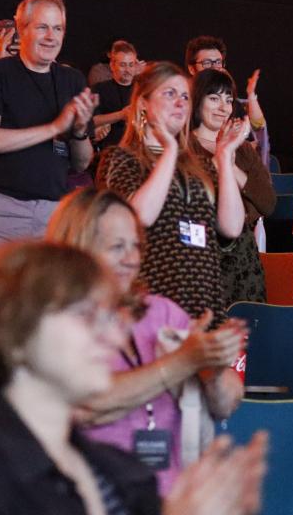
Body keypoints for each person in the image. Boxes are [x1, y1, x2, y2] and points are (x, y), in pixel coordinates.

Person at [0, 241, 267, 515]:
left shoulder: (117, 471)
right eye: (84, 315)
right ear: (14, 335)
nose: (112, 337)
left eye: (109, 318)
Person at [46, 188, 245, 495]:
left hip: (172, 500)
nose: (132, 259)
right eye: (117, 247)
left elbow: (227, 404)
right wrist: (182, 362)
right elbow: (86, 404)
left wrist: (212, 368)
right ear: (78, 249)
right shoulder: (52, 322)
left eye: (136, 246)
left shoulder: (161, 311)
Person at [0, 0, 95, 286]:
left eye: (58, 29)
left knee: (40, 316)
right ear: (21, 29)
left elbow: (82, 164)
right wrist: (55, 126)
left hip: (52, 216)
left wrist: (79, 130)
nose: (51, 36)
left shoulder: (72, 80)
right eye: (42, 27)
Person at [97, 62, 251, 323]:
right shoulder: (122, 158)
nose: (180, 103)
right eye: (169, 94)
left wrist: (224, 157)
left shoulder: (199, 164)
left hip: (203, 298)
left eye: (185, 97)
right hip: (150, 299)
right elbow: (137, 218)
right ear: (143, 103)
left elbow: (232, 227)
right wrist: (169, 150)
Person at [188, 69, 275, 304]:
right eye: (214, 98)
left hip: (243, 259)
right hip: (200, 256)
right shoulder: (183, 148)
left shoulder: (243, 149)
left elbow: (267, 203)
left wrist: (229, 160)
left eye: (228, 99)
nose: (222, 107)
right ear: (197, 101)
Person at [184, 35, 270, 170]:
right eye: (207, 63)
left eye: (218, 62)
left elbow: (258, 130)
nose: (214, 67)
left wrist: (251, 96)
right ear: (191, 68)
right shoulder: (181, 104)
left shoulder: (232, 104)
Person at [90, 39, 140, 150]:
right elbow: (92, 120)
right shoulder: (99, 89)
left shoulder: (142, 89)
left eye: (131, 65)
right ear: (112, 65)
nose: (127, 70)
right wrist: (121, 114)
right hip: (109, 150)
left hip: (137, 150)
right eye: (123, 65)